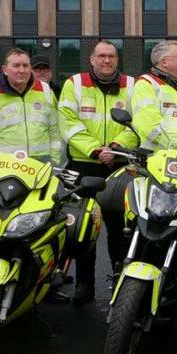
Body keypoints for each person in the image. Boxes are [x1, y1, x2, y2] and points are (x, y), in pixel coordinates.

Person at [58, 40, 137, 305]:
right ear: (91, 59)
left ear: (117, 60)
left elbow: (139, 122)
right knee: (82, 227)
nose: (106, 61)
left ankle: (120, 281)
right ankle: (84, 283)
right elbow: (67, 122)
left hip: (119, 164)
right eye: (101, 56)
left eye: (111, 56)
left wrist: (116, 148)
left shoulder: (132, 85)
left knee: (121, 228)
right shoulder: (75, 84)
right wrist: (95, 150)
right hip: (84, 164)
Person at [0, 48, 60, 163]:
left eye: (25, 65)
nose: (21, 70)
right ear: (5, 70)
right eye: (16, 65)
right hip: (4, 165)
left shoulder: (46, 91)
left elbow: (55, 130)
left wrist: (54, 161)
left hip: (40, 164)